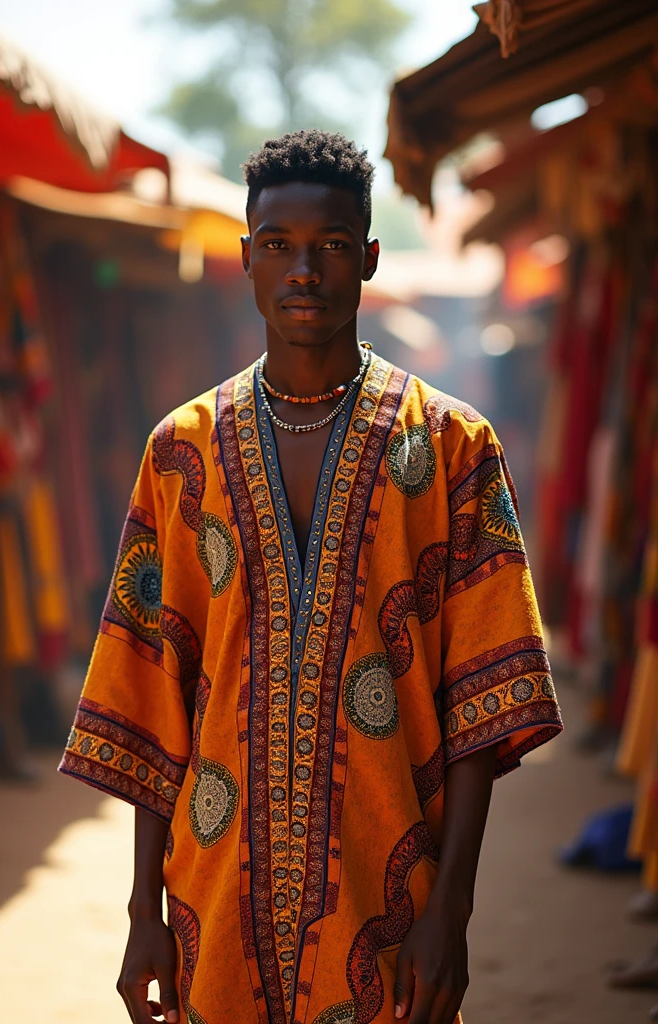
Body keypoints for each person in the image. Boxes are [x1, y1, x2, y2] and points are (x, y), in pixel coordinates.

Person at [59, 130, 563, 1024]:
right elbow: (150, 693)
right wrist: (144, 912)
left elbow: (483, 703)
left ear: (368, 258)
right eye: (280, 247)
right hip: (212, 905)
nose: (305, 271)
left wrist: (453, 908)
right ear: (248, 259)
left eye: (331, 246)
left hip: (392, 903)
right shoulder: (182, 451)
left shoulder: (452, 448)